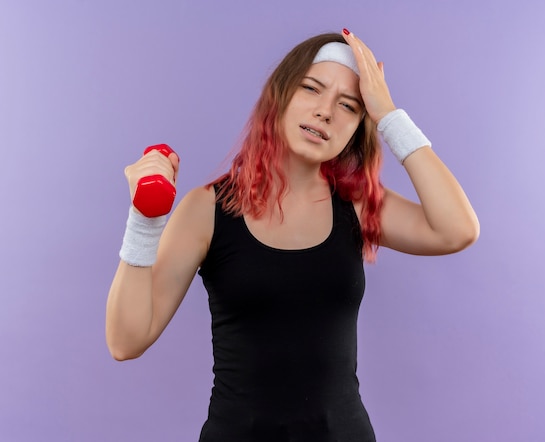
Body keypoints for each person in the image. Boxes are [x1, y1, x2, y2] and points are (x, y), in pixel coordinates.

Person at [106, 29, 479, 442]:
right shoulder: (207, 210)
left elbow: (457, 230)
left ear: (359, 125)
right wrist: (144, 223)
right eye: (311, 89)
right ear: (280, 95)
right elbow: (126, 340)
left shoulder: (356, 204)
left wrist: (388, 114)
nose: (325, 112)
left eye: (348, 106)